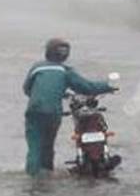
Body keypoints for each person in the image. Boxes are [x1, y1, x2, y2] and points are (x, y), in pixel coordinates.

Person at [22, 38, 116, 176]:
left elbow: (27, 89)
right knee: (48, 145)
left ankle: (32, 176)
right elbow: (87, 87)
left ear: (47, 52)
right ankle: (46, 173)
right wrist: (108, 86)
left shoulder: (37, 68)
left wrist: (55, 94)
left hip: (34, 111)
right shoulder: (65, 71)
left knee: (34, 146)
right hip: (53, 112)